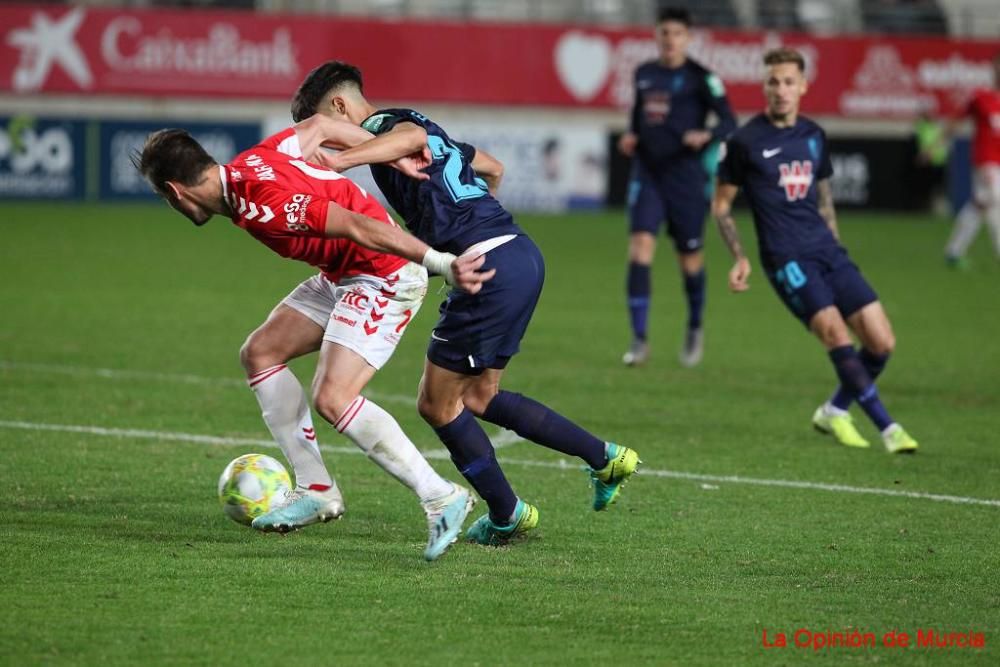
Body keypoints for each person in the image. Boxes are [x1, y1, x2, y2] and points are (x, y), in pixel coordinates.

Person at [289, 61, 641, 547]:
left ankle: (507, 513)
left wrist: (341, 161)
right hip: (520, 255)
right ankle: (605, 458)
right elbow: (493, 166)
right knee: (479, 396)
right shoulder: (428, 129)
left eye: (323, 130)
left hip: (490, 268)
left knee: (436, 404)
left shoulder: (384, 127)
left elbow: (409, 138)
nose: (325, 142)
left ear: (339, 107)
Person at [134, 118, 494, 560]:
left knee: (333, 398)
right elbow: (321, 124)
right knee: (260, 352)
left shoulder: (261, 204)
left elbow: (354, 224)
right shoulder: (256, 160)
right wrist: (389, 151)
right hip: (344, 274)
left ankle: (439, 495)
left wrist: (441, 262)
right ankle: (317, 488)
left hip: (384, 274)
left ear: (174, 192)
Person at [711, 47, 919, 454]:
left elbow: (823, 196)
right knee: (835, 333)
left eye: (789, 82)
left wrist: (836, 243)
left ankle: (834, 410)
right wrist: (739, 256)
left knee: (882, 342)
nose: (781, 90)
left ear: (803, 86)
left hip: (827, 251)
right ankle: (889, 428)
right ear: (764, 86)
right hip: (785, 258)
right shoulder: (745, 141)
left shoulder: (813, 136)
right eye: (773, 82)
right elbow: (720, 206)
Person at [617, 7, 737, 367]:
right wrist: (632, 136)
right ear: (657, 35)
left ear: (688, 38)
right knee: (639, 248)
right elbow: (638, 117)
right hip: (648, 174)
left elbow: (730, 120)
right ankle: (639, 340)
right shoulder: (644, 74)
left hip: (685, 178)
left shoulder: (702, 78)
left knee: (690, 261)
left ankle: (695, 326)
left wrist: (708, 134)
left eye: (677, 33)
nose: (670, 40)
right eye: (664, 33)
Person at [944, 53, 1000, 268]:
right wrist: (935, 145)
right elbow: (956, 119)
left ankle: (953, 251)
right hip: (986, 161)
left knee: (980, 205)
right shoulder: (981, 97)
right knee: (996, 198)